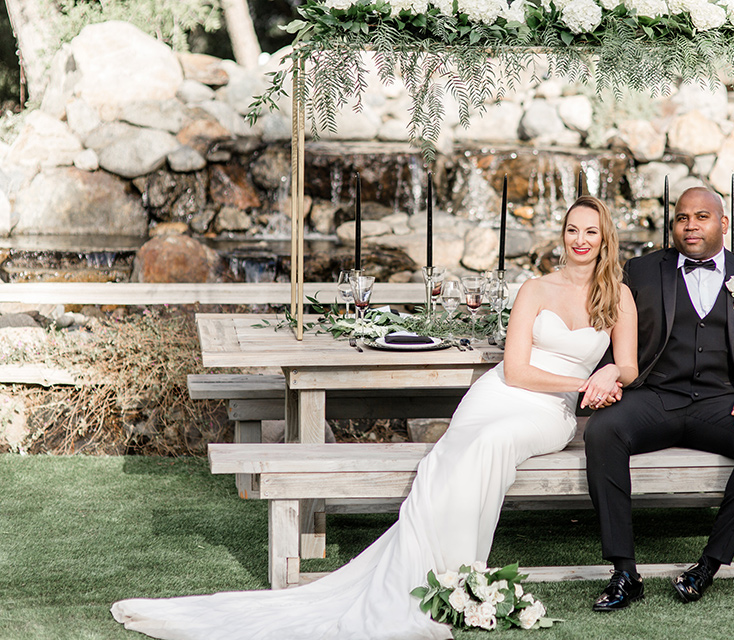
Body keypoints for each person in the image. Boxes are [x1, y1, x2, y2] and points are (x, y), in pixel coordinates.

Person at [111, 195, 639, 640]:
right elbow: (519, 369)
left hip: (549, 414)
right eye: (572, 229)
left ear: (604, 237)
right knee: (451, 459)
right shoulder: (535, 289)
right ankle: (451, 580)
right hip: (502, 393)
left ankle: (458, 576)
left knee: (492, 446)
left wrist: (609, 372)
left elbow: (631, 365)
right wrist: (585, 380)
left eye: (590, 231)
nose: (580, 239)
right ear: (562, 235)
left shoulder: (618, 295)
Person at [585, 186, 734, 611]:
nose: (691, 225)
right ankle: (624, 571)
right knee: (602, 431)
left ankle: (708, 565)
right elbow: (610, 327)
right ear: (673, 226)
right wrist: (609, 374)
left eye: (702, 217)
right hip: (657, 396)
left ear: (723, 224)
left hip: (723, 402)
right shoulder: (642, 271)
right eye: (683, 218)